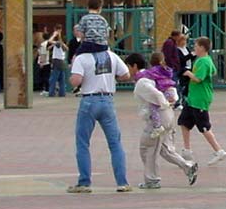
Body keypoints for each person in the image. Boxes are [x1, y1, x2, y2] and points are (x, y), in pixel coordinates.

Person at [67, 37, 132, 193]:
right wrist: (112, 78)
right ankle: (122, 182)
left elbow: (76, 80)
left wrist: (72, 79)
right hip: (108, 99)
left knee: (83, 142)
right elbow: (126, 75)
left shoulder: (82, 58)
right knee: (115, 143)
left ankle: (84, 182)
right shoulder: (111, 55)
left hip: (89, 100)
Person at [125, 53, 199, 190]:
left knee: (147, 148)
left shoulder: (142, 82)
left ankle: (152, 180)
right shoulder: (150, 76)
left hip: (158, 118)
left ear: (134, 66)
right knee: (164, 150)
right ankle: (188, 167)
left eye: (128, 67)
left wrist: (164, 104)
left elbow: (157, 95)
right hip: (166, 116)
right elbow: (170, 90)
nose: (127, 70)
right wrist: (169, 103)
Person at [178, 37, 226, 166]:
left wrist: (188, 73)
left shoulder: (204, 62)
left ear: (202, 47)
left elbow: (198, 78)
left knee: (204, 126)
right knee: (184, 122)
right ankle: (187, 150)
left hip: (200, 99)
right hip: (192, 98)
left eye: (196, 46)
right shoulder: (201, 60)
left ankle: (219, 150)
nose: (194, 48)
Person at [48, 30, 68, 98]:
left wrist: (54, 35)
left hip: (56, 62)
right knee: (62, 79)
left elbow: (49, 41)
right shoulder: (64, 45)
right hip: (62, 62)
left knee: (53, 78)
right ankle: (62, 93)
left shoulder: (58, 44)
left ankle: (51, 92)